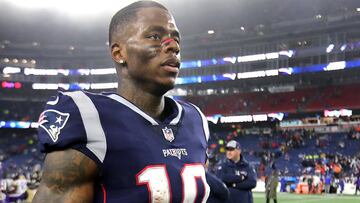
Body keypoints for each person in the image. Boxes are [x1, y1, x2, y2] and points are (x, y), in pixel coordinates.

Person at [33, 1, 211, 202]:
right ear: (119, 53)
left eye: (176, 39)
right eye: (155, 36)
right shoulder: (89, 117)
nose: (173, 46)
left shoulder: (195, 120)